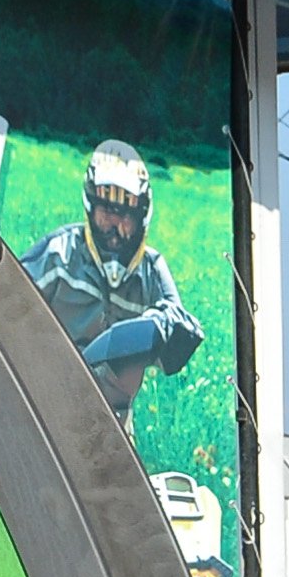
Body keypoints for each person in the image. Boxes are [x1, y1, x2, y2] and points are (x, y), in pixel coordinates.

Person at [24, 140, 202, 421]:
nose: (116, 227)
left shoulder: (151, 269)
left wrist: (157, 327)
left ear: (141, 217)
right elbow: (4, 298)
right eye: (107, 212)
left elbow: (182, 323)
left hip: (112, 422)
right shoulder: (59, 254)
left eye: (126, 215)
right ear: (90, 206)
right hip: (44, 404)